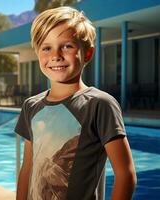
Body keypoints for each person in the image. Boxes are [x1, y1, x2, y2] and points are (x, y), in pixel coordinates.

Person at [15, 7, 136, 200]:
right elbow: (27, 169)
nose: (56, 55)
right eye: (46, 48)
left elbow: (125, 174)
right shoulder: (31, 106)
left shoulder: (99, 104)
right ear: (38, 54)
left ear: (87, 53)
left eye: (67, 46)